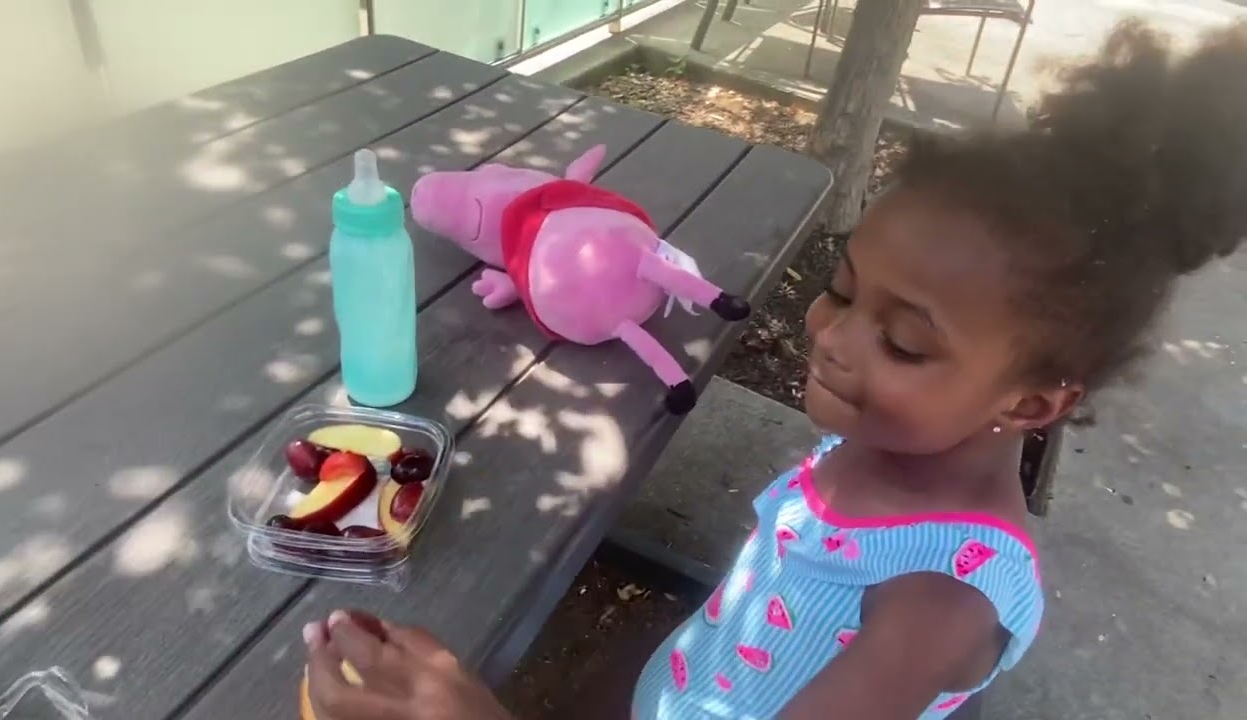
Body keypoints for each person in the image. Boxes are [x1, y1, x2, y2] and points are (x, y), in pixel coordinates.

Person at [300, 19, 1247, 720]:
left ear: (1032, 402)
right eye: (842, 289)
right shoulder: (893, 436)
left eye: (905, 342)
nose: (833, 336)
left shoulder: (939, 605)